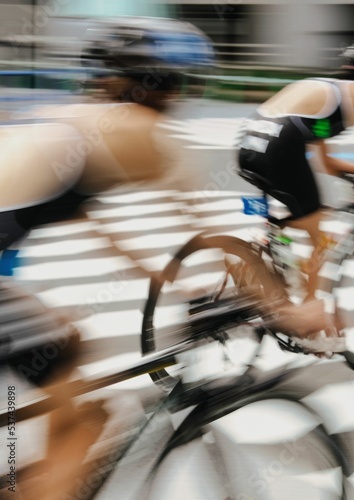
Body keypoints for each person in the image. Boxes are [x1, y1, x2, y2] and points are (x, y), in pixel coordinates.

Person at [0, 17, 215, 500]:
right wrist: (286, 309)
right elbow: (202, 229)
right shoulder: (138, 132)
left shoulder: (70, 119)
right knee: (89, 420)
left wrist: (165, 277)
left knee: (67, 346)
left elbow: (94, 224)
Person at [236, 45, 354, 348]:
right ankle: (310, 325)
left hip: (249, 148)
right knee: (322, 235)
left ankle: (257, 255)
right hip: (278, 151)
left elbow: (326, 162)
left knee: (306, 213)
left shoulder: (328, 93)